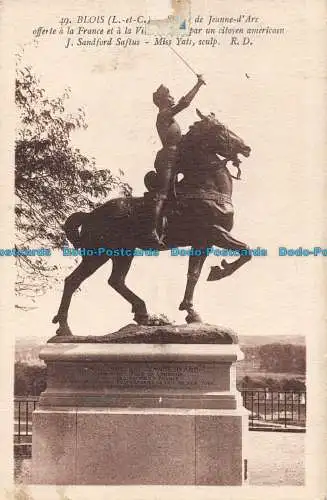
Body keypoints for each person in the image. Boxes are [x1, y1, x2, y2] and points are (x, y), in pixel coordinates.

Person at [149, 74, 206, 246]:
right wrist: (197, 85)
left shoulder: (169, 117)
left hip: (176, 157)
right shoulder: (164, 114)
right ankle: (151, 230)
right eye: (170, 95)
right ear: (164, 100)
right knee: (163, 193)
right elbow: (184, 103)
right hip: (168, 158)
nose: (173, 97)